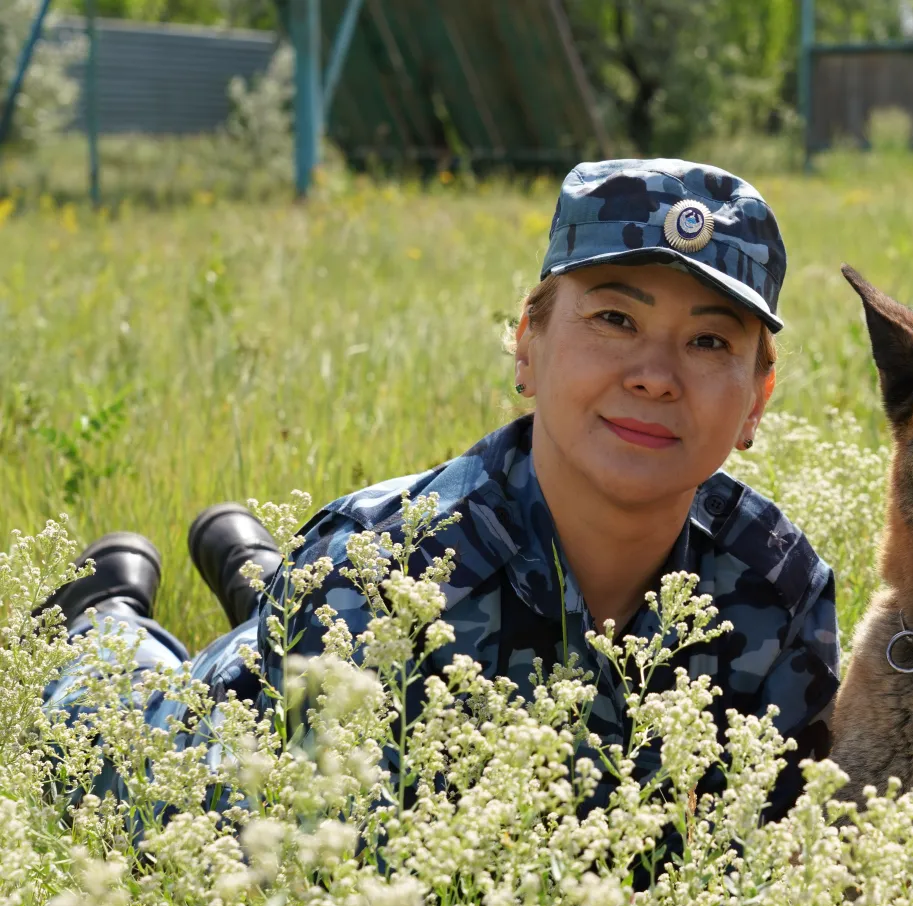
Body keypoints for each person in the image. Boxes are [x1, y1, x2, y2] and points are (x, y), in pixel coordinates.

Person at [42, 159, 840, 825]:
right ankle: (106, 621)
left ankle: (262, 578)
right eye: (614, 319)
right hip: (234, 733)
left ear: (756, 401)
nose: (654, 374)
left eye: (708, 340)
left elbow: (763, 859)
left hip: (327, 625)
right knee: (117, 745)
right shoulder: (380, 578)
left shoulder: (780, 593)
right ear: (527, 346)